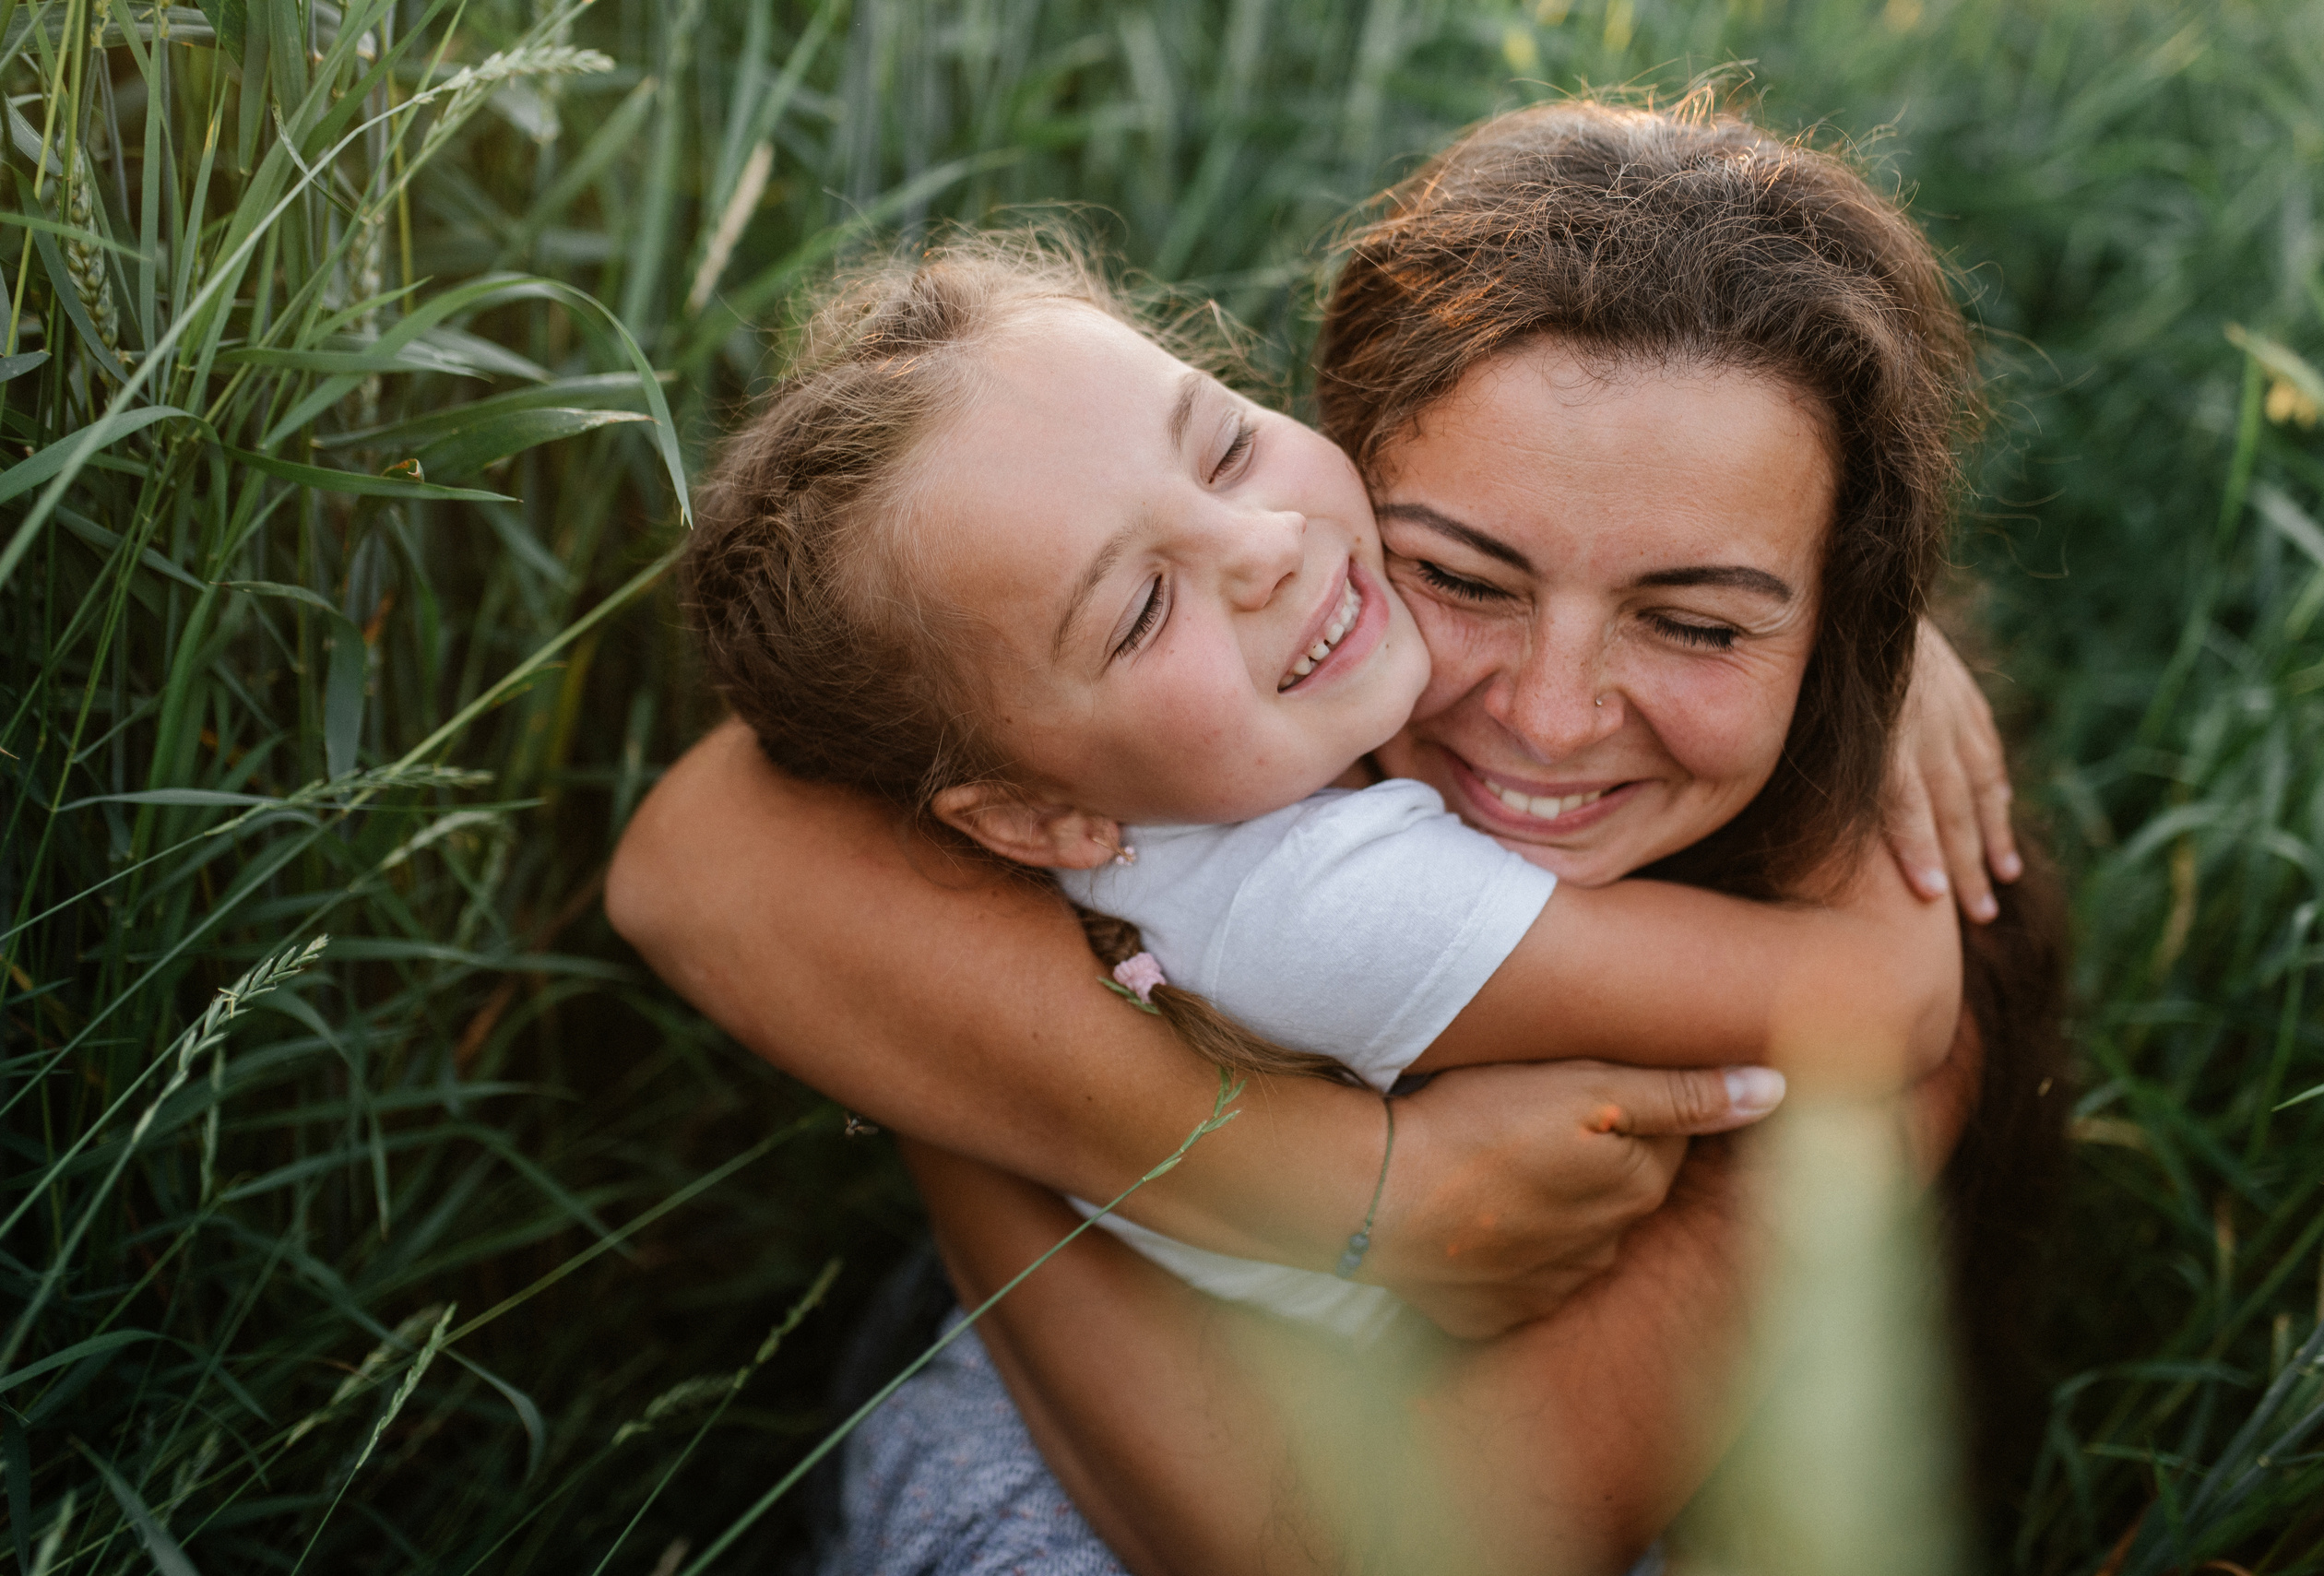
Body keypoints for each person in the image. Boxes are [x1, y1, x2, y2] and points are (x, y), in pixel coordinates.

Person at [608, 99, 2066, 1574]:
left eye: (1698, 619)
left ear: (1844, 613)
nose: (1552, 719)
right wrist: (1313, 1178)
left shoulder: (1887, 950)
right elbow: (697, 847)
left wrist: (957, 1088)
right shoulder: (1221, 700)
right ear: (1359, 455)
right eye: (1465, 575)